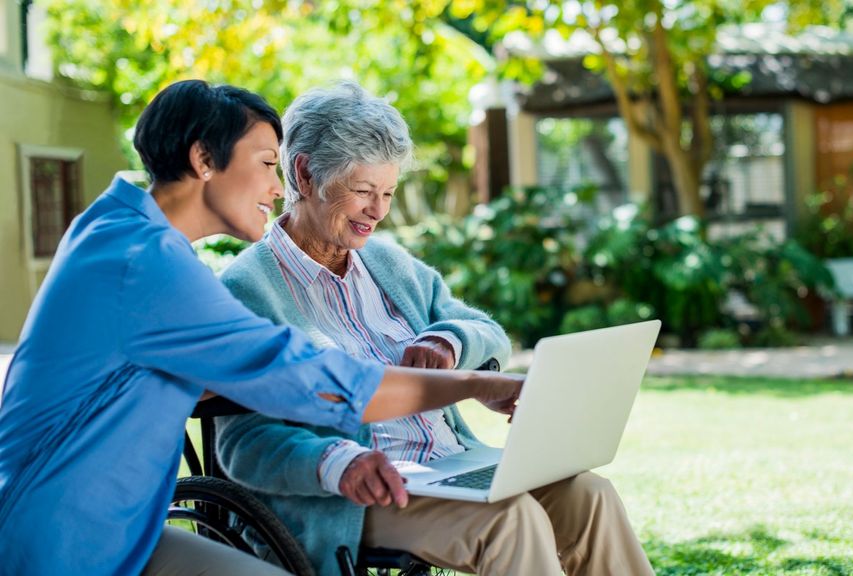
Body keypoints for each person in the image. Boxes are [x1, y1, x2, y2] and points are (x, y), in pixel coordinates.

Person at [0, 80, 521, 576]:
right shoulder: (148, 265)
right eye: (269, 164)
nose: (279, 188)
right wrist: (476, 383)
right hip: (62, 544)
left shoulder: (113, 227)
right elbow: (320, 381)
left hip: (126, 530)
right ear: (204, 159)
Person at [216, 81, 654, 576]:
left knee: (589, 494)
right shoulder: (248, 288)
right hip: (355, 498)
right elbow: (243, 444)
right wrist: (339, 463)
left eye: (387, 193)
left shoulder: (387, 263)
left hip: (450, 466)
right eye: (362, 191)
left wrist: (448, 342)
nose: (378, 212)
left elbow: (485, 332)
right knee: (510, 519)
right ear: (305, 174)